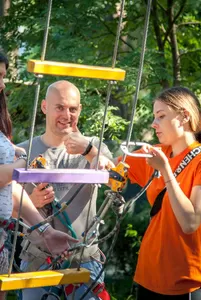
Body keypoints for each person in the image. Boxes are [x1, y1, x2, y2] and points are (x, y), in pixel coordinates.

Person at [95, 86, 201, 299]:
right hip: (149, 276)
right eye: (154, 116)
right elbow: (113, 171)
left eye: (161, 116)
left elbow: (190, 222)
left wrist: (165, 170)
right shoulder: (158, 153)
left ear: (184, 116)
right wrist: (93, 153)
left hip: (189, 280)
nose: (154, 124)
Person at [18, 80, 112, 300]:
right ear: (44, 107)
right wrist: (31, 201)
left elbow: (116, 179)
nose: (66, 115)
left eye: (73, 109)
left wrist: (88, 151)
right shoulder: (23, 150)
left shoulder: (95, 146)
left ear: (80, 110)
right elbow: (7, 206)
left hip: (84, 260)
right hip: (38, 260)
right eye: (59, 107)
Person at [0, 52, 78, 300]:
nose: (2, 85)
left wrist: (45, 231)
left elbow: (9, 190)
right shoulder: (25, 150)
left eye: (3, 77)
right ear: (45, 108)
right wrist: (23, 163)